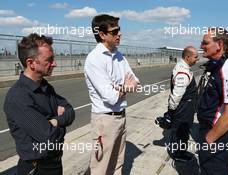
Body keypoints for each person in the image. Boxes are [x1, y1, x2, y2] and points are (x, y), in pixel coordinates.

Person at [4, 33, 75, 175]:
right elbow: (50, 137)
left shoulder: (45, 86)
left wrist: (55, 121)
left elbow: (70, 111)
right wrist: (60, 126)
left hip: (54, 163)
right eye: (49, 60)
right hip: (37, 168)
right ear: (31, 63)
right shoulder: (18, 97)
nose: (54, 63)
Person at [84, 14, 139, 175]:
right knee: (101, 168)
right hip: (104, 120)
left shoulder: (119, 56)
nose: (119, 34)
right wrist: (124, 87)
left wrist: (120, 88)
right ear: (102, 35)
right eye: (114, 32)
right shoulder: (94, 59)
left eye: (119, 30)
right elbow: (110, 96)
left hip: (121, 116)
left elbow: (135, 83)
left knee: (118, 163)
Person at [197, 27, 228, 175]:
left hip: (218, 135)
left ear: (219, 44)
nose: (201, 46)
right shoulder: (218, 66)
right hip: (212, 132)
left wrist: (209, 139)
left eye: (205, 43)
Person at [167, 46, 199, 161]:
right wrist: (171, 111)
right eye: (196, 57)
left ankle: (180, 150)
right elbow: (177, 95)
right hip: (183, 108)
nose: (197, 59)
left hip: (186, 107)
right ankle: (177, 153)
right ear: (187, 57)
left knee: (182, 130)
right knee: (180, 130)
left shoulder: (185, 68)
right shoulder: (183, 72)